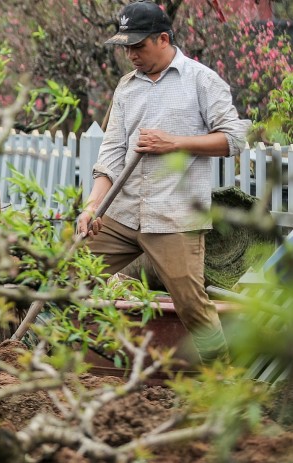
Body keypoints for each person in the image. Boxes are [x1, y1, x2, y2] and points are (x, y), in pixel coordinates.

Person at [77, 0, 250, 366]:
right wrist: (92, 206)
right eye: (126, 47)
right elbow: (110, 153)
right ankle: (49, 359)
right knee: (70, 274)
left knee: (192, 306)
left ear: (163, 39)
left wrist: (174, 143)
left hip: (174, 218)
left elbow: (234, 138)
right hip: (122, 215)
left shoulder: (201, 81)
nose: (131, 55)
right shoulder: (126, 87)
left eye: (138, 46)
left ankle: (224, 382)